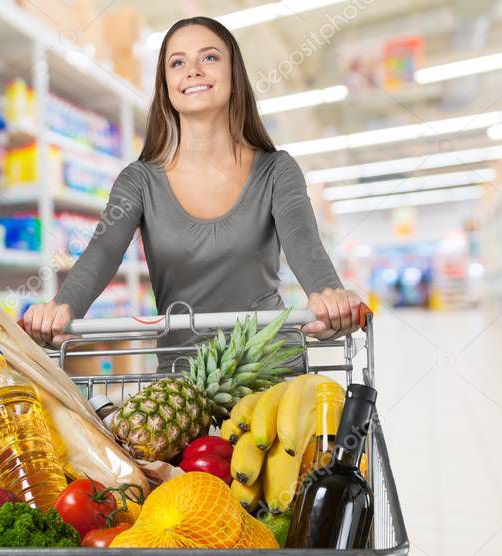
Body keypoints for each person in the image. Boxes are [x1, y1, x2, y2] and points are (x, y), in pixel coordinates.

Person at [21, 16, 361, 367]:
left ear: (235, 74)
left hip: (271, 372)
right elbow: (103, 250)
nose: (193, 70)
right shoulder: (138, 181)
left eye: (209, 57)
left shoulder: (276, 170)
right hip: (183, 382)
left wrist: (328, 294)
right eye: (177, 62)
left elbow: (303, 241)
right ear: (166, 83)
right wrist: (64, 305)